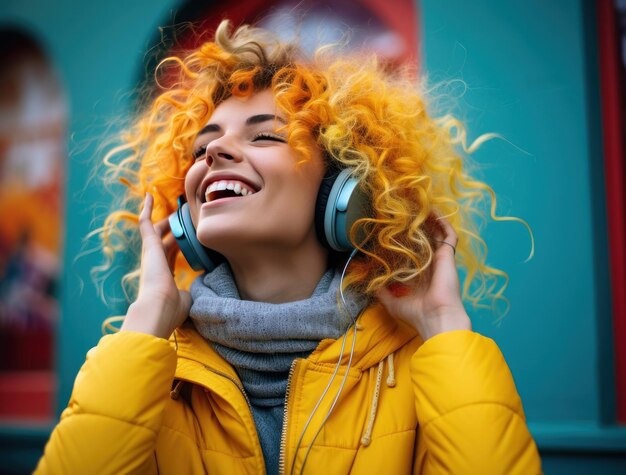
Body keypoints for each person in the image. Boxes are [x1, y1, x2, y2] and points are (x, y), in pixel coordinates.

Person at [36, 20, 541, 474]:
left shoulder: (417, 368)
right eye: (201, 146)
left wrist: (443, 326)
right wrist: (144, 324)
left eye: (266, 138)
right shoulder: (150, 370)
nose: (213, 150)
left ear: (345, 192)